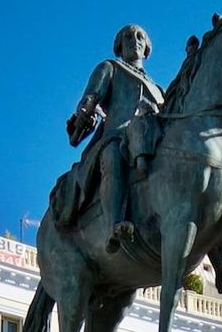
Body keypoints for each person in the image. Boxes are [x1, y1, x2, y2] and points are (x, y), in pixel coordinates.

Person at [66, 24, 165, 253]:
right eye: (128, 36)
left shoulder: (159, 89)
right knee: (112, 156)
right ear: (119, 46)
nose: (135, 40)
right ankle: (114, 224)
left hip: (151, 140)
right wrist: (85, 113)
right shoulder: (110, 68)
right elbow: (90, 98)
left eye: (140, 37)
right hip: (118, 136)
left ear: (147, 48)